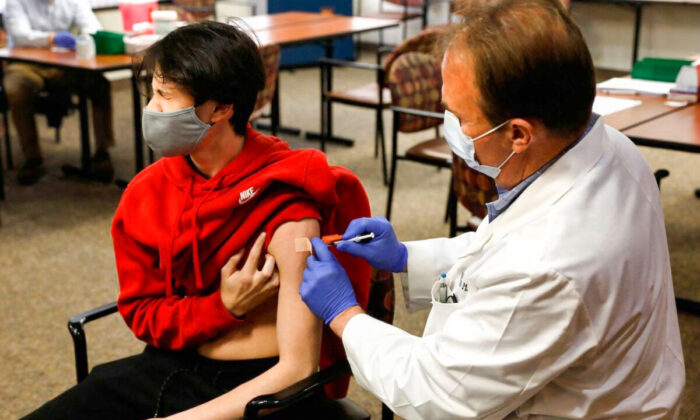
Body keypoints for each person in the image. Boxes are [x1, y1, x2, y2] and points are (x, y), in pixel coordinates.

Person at [300, 0, 686, 418]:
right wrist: (407, 258)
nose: (451, 128)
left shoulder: (549, 263)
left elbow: (436, 393)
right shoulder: (608, 149)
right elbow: (496, 252)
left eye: (460, 116)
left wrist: (344, 315)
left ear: (519, 133)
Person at [23, 20, 371, 419]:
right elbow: (142, 312)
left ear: (222, 108)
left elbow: (297, 369)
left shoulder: (286, 201)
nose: (151, 110)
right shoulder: (147, 194)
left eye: (166, 97)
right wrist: (222, 305)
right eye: (153, 93)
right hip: (172, 362)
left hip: (265, 390)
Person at [3, 0, 115, 184]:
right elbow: (20, 35)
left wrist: (85, 38)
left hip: (64, 63)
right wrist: (52, 38)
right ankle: (32, 158)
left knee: (98, 84)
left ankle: (102, 152)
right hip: (26, 63)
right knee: (15, 89)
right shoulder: (16, 2)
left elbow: (92, 26)